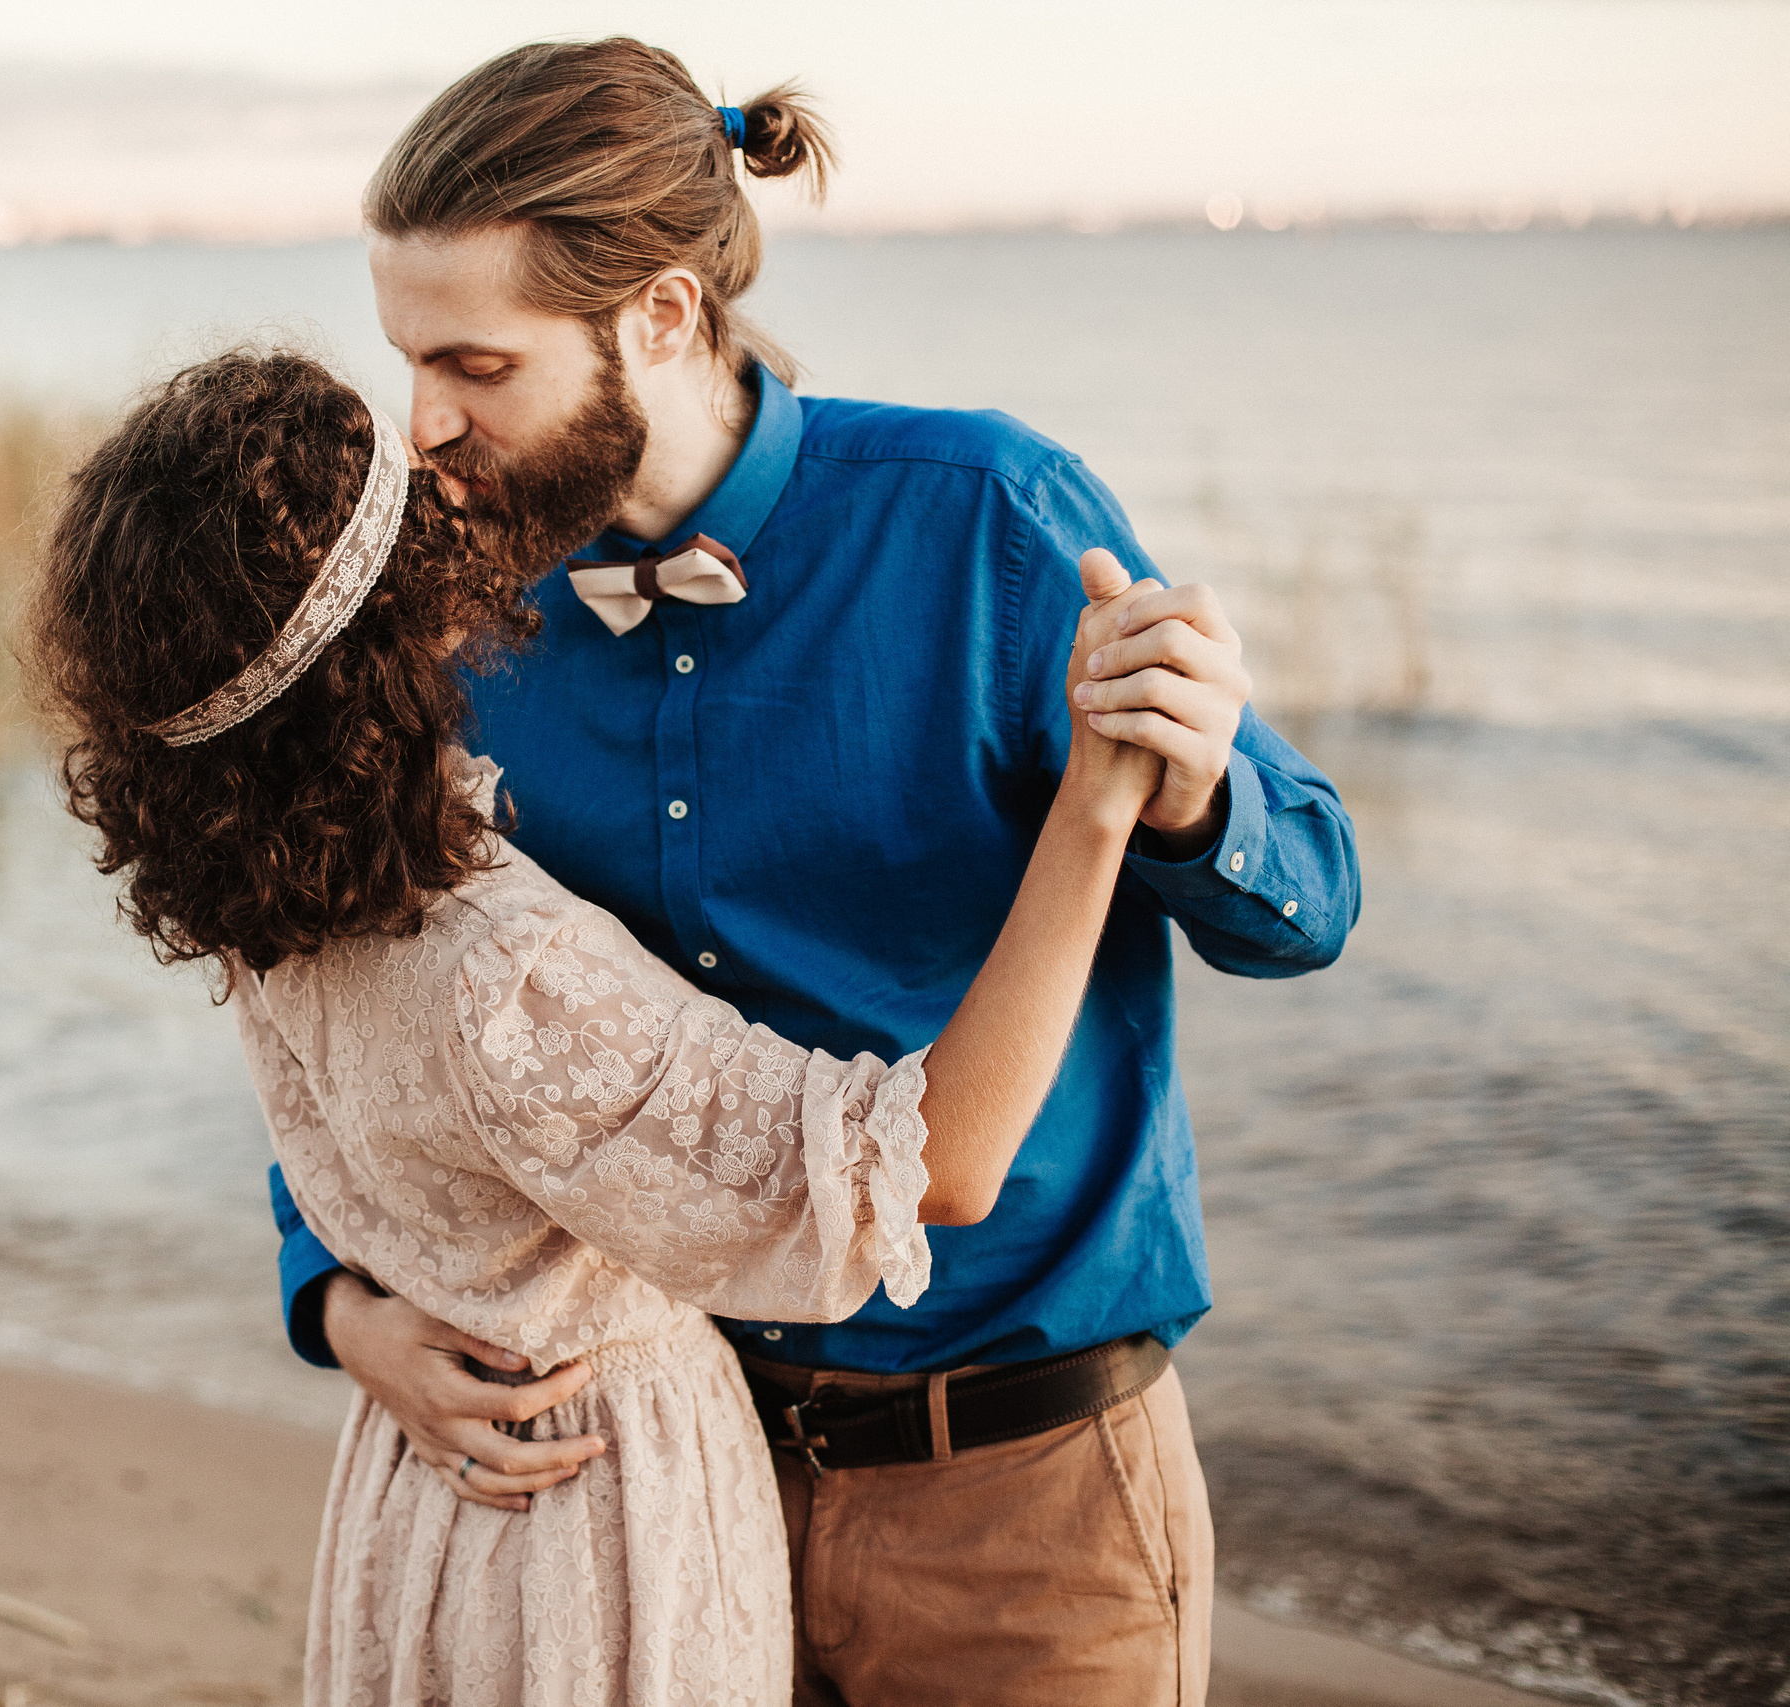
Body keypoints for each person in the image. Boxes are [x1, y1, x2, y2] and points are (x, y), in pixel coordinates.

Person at [264, 38, 1362, 1707]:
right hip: (641, 1497)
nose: (424, 424)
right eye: (409, 358)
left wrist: (1197, 794)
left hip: (1027, 1512)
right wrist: (342, 1299)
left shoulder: (986, 521)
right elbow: (350, 992)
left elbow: (1312, 907)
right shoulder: (456, 608)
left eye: (477, 364)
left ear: (662, 315)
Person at [22, 347, 1179, 1704]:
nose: (441, 452)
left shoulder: (274, 900)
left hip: (431, 1504)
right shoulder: (496, 966)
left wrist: (348, 1311)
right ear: (407, 613)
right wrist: (1096, 805)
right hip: (603, 1518)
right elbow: (925, 1169)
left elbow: (361, 1167)